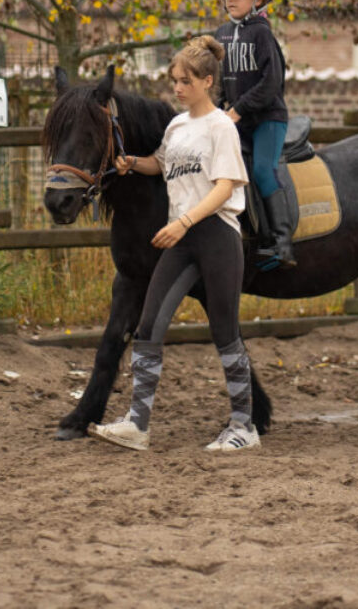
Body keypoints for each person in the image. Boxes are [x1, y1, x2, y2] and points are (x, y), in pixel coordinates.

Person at [88, 36, 260, 454]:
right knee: (148, 328)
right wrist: (132, 163)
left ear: (207, 81)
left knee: (224, 332)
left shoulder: (222, 127)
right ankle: (137, 425)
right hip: (180, 240)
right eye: (174, 80)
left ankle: (244, 427)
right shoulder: (177, 126)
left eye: (185, 81)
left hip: (215, 237)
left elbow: (224, 188)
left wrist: (183, 221)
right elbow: (162, 164)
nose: (177, 88)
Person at [214, 0, 295, 269]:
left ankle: (282, 243)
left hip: (267, 120)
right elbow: (224, 79)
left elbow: (271, 83)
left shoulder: (262, 35)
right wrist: (220, 106)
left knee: (262, 171)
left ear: (259, 0)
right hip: (235, 118)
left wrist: (238, 110)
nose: (230, 0)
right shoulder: (221, 34)